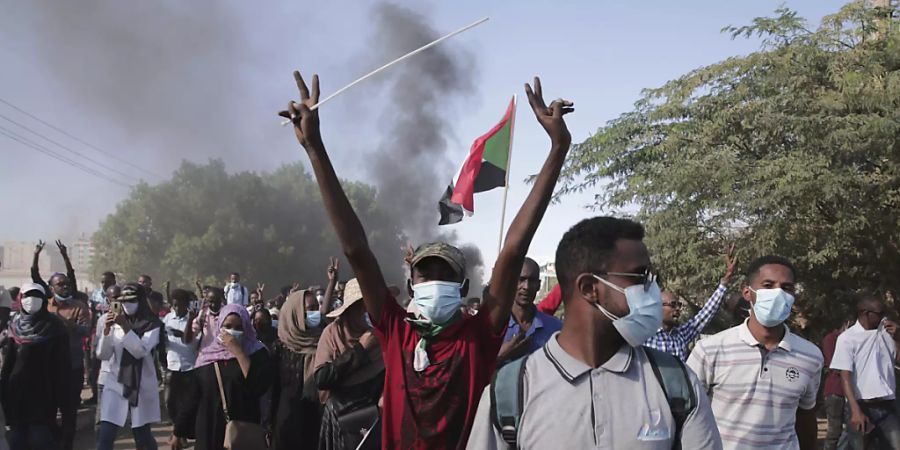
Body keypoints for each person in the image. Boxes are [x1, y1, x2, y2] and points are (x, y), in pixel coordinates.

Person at [282, 71, 571, 448]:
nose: (434, 281)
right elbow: (355, 248)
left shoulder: (479, 334)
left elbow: (514, 248)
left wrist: (558, 149)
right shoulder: (395, 329)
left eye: (444, 275)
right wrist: (315, 149)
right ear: (410, 286)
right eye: (425, 274)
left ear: (463, 288)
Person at [467, 217, 722, 449]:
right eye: (639, 276)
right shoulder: (511, 392)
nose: (652, 289)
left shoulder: (676, 383)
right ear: (589, 288)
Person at [687, 255, 823, 450]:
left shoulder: (810, 356)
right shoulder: (711, 350)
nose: (778, 293)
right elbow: (688, 413)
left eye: (786, 288)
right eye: (768, 285)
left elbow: (805, 417)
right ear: (747, 292)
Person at [178, 304, 274, 450]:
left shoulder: (257, 354)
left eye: (238, 327)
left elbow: (258, 386)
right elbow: (193, 398)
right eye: (227, 326)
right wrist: (178, 431)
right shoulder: (206, 357)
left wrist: (239, 352)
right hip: (210, 432)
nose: (232, 332)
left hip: (242, 431)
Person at [272, 258, 337, 450]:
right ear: (296, 313)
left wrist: (332, 283)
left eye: (316, 308)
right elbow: (272, 390)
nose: (315, 313)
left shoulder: (325, 342)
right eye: (310, 310)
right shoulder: (281, 347)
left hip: (318, 420)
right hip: (288, 423)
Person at [314, 278, 385, 450]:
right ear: (351, 310)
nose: (368, 311)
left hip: (376, 416)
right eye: (363, 306)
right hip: (342, 416)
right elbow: (322, 378)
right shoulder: (332, 334)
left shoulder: (381, 336)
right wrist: (360, 349)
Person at [34, 240, 90, 450]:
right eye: (60, 285)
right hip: (47, 369)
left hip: (72, 367)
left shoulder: (79, 307)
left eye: (67, 284)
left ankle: (66, 445)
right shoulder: (44, 306)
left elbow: (84, 331)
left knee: (69, 412)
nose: (65, 287)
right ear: (51, 288)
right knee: (48, 411)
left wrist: (62, 321)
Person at [1, 283, 69, 450]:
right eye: (28, 296)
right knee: (17, 440)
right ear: (20, 299)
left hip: (44, 392)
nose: (32, 300)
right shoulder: (14, 326)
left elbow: (62, 365)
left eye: (37, 296)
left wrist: (62, 399)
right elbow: (8, 364)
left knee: (41, 439)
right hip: (16, 392)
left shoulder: (55, 327)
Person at [95, 283, 162, 450]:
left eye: (132, 300)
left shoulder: (152, 324)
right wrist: (107, 330)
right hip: (115, 382)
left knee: (142, 436)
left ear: (140, 301)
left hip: (140, 384)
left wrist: (125, 326)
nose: (127, 304)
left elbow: (140, 351)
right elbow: (103, 355)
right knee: (106, 435)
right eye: (123, 301)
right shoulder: (112, 321)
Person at [645, 246, 737, 362]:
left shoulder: (681, 334)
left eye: (679, 305)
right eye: (673, 305)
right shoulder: (645, 336)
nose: (678, 309)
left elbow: (705, 314)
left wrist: (725, 282)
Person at [831, 294, 900, 449]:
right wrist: (855, 410)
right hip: (862, 406)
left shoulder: (888, 333)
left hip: (887, 405)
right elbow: (845, 376)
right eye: (879, 314)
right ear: (865, 314)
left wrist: (897, 339)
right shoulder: (847, 338)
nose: (884, 318)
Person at [497, 258, 562, 365]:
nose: (526, 287)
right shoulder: (492, 327)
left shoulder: (556, 329)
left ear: (538, 285)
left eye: (531, 281)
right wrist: (502, 356)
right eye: (521, 280)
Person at [163, 289, 199, 449]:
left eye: (180, 305)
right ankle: (177, 431)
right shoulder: (167, 318)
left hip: (189, 366)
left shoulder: (193, 320)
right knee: (170, 402)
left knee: (186, 404)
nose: (177, 308)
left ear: (186, 304)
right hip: (172, 366)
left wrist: (185, 326)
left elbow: (188, 340)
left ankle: (180, 434)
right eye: (174, 305)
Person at [821, 319, 853, 450]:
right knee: (834, 430)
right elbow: (836, 364)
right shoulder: (831, 339)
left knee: (850, 429)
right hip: (835, 390)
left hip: (847, 392)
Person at [186, 287, 225, 352]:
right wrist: (190, 320)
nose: (213, 305)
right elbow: (192, 334)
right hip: (206, 354)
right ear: (207, 301)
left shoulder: (227, 314)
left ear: (221, 300)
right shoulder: (203, 314)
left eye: (217, 302)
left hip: (223, 354)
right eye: (211, 302)